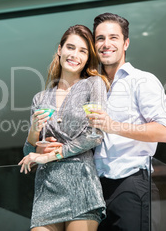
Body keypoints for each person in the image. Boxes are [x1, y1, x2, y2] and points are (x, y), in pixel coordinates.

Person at [87, 13, 166, 230]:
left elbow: (165, 132)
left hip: (130, 184)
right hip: (93, 190)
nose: (106, 44)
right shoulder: (90, 87)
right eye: (100, 38)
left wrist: (112, 126)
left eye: (113, 38)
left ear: (125, 43)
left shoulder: (142, 81)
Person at [18, 24, 110, 231]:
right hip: (47, 189)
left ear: (87, 58)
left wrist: (49, 156)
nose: (74, 55)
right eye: (70, 47)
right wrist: (33, 131)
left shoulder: (94, 84)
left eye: (82, 51)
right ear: (60, 50)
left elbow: (95, 136)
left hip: (82, 185)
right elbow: (28, 155)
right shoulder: (40, 98)